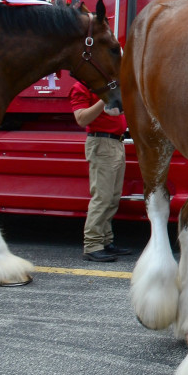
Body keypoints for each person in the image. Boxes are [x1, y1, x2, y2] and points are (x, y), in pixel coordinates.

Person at [69, 81, 131, 262]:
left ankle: (105, 241)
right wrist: (104, 100)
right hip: (101, 143)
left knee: (112, 197)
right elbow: (81, 118)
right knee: (102, 197)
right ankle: (92, 245)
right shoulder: (81, 87)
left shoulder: (105, 85)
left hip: (115, 142)